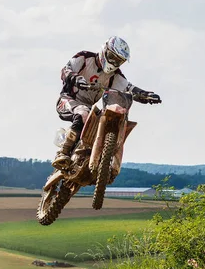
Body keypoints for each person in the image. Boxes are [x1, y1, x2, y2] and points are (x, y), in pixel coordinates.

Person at [52, 36, 161, 170]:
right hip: (68, 99)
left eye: (118, 61)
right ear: (105, 50)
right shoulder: (84, 58)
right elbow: (66, 70)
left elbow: (130, 89)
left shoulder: (115, 76)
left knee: (99, 121)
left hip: (89, 107)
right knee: (83, 113)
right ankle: (62, 152)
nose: (114, 63)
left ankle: (88, 158)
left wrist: (147, 95)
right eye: (112, 57)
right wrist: (76, 79)